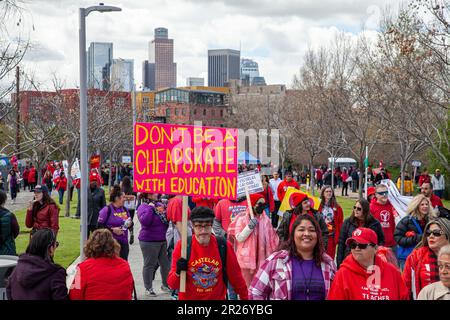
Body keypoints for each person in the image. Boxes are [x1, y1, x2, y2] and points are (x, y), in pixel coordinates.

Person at [167, 206, 249, 300]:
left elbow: (237, 279)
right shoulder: (183, 246)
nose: (203, 231)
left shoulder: (223, 246)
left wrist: (245, 297)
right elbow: (172, 284)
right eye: (199, 226)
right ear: (193, 226)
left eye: (207, 225)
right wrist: (178, 272)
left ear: (212, 225)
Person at [249, 214, 336, 300]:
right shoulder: (276, 261)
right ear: (293, 235)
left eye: (312, 230)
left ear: (317, 236)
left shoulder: (328, 263)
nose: (306, 233)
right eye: (301, 229)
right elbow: (255, 292)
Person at [328, 227, 409, 300]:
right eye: (353, 245)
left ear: (375, 248)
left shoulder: (392, 272)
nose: (356, 248)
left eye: (362, 245)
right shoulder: (343, 274)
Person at [227, 193, 279, 286]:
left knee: (259, 286)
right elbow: (239, 238)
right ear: (252, 204)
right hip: (246, 259)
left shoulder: (266, 219)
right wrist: (250, 226)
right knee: (247, 286)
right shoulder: (242, 218)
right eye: (259, 204)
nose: (262, 206)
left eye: (264, 204)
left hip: (262, 257)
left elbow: (272, 237)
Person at [69, 229, 134, 300]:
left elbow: (74, 296)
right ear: (114, 245)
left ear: (90, 245)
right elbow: (129, 291)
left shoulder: (83, 268)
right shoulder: (124, 265)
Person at [6, 228, 67, 300]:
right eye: (56, 244)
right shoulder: (55, 273)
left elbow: (9, 291)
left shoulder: (18, 267)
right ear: (50, 249)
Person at [403, 217, 450, 299]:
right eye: (428, 233)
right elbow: (405, 287)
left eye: (436, 233)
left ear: (447, 236)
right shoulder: (416, 256)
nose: (431, 236)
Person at [137, 193, 170, 297]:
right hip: (149, 241)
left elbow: (166, 218)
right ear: (148, 195)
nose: (157, 194)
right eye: (153, 193)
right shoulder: (143, 207)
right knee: (149, 264)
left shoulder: (160, 204)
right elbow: (145, 221)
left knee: (165, 264)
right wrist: (151, 209)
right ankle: (148, 288)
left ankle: (165, 285)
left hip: (162, 240)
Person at [336, 199, 384, 267]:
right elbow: (341, 243)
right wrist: (339, 263)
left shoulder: (375, 223)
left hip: (368, 260)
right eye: (354, 207)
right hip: (350, 258)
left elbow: (381, 240)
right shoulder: (348, 222)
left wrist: (374, 253)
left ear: (365, 210)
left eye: (359, 209)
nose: (355, 210)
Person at [394, 194, 435, 270]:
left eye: (426, 204)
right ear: (416, 206)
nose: (425, 206)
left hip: (425, 256)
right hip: (408, 257)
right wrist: (415, 238)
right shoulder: (407, 220)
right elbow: (398, 238)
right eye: (422, 204)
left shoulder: (431, 221)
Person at [97, 184, 132, 260]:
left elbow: (130, 223)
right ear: (117, 198)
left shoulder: (125, 209)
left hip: (124, 243)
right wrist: (112, 230)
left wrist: (130, 224)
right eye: (123, 197)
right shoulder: (107, 210)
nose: (125, 199)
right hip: (110, 244)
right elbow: (99, 227)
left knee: (123, 264)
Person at [370, 184, 398, 251]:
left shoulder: (393, 205)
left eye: (386, 192)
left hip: (392, 243)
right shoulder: (371, 207)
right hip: (377, 244)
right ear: (376, 195)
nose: (384, 195)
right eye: (381, 193)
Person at [318, 186, 343, 259]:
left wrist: (339, 235)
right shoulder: (318, 206)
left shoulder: (337, 207)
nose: (329, 193)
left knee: (330, 257)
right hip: (320, 235)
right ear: (323, 193)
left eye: (330, 191)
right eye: (327, 191)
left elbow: (340, 222)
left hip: (331, 236)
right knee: (319, 256)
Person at [0, 190, 20, 255]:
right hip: (8, 252)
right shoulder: (10, 216)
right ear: (4, 201)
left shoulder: (9, 216)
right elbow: (16, 232)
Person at [121, 176, 137, 245]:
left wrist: (126, 198)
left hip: (124, 207)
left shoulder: (122, 189)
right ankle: (131, 232)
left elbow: (121, 197)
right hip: (132, 208)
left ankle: (124, 235)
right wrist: (130, 197)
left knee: (123, 221)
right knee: (130, 220)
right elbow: (135, 197)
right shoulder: (132, 189)